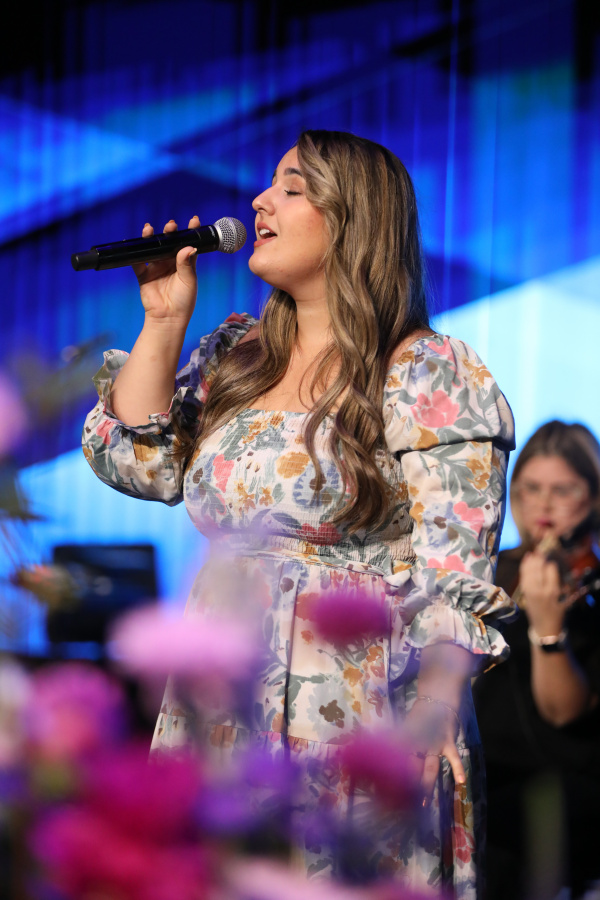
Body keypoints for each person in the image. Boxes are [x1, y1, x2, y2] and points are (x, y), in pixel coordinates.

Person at [82, 130, 515, 895]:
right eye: (269, 185)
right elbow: (141, 463)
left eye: (291, 187)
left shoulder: (422, 369)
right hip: (223, 696)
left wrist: (436, 706)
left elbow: (457, 561)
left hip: (355, 698)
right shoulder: (239, 357)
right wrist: (164, 321)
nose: (260, 201)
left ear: (353, 218)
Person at [474, 421, 600, 899]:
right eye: (530, 488)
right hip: (485, 777)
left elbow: (563, 713)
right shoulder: (492, 571)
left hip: (556, 800)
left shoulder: (589, 585)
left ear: (593, 497)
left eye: (563, 490)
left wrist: (548, 628)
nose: (543, 505)